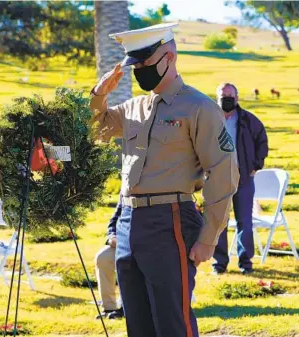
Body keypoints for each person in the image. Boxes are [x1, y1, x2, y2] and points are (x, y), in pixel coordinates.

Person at [89, 23, 239, 337]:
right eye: (135, 66)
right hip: (129, 221)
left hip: (170, 219)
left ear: (169, 57)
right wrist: (99, 94)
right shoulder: (133, 108)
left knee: (172, 322)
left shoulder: (199, 107)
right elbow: (95, 130)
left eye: (144, 63)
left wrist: (209, 237)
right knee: (138, 323)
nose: (138, 71)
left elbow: (223, 172)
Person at [212, 83, 269, 275]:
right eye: (223, 95)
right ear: (217, 97)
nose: (226, 98)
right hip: (218, 179)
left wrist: (256, 165)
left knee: (245, 222)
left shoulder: (248, 120)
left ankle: (246, 264)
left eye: (230, 95)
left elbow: (262, 141)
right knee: (219, 222)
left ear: (237, 98)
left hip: (243, 178)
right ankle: (219, 264)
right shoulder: (210, 119)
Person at [94, 200, 124, 320]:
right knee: (103, 257)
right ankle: (109, 307)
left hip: (146, 245)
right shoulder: (125, 190)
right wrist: (112, 237)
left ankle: (125, 308)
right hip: (123, 242)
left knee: (126, 262)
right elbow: (114, 221)